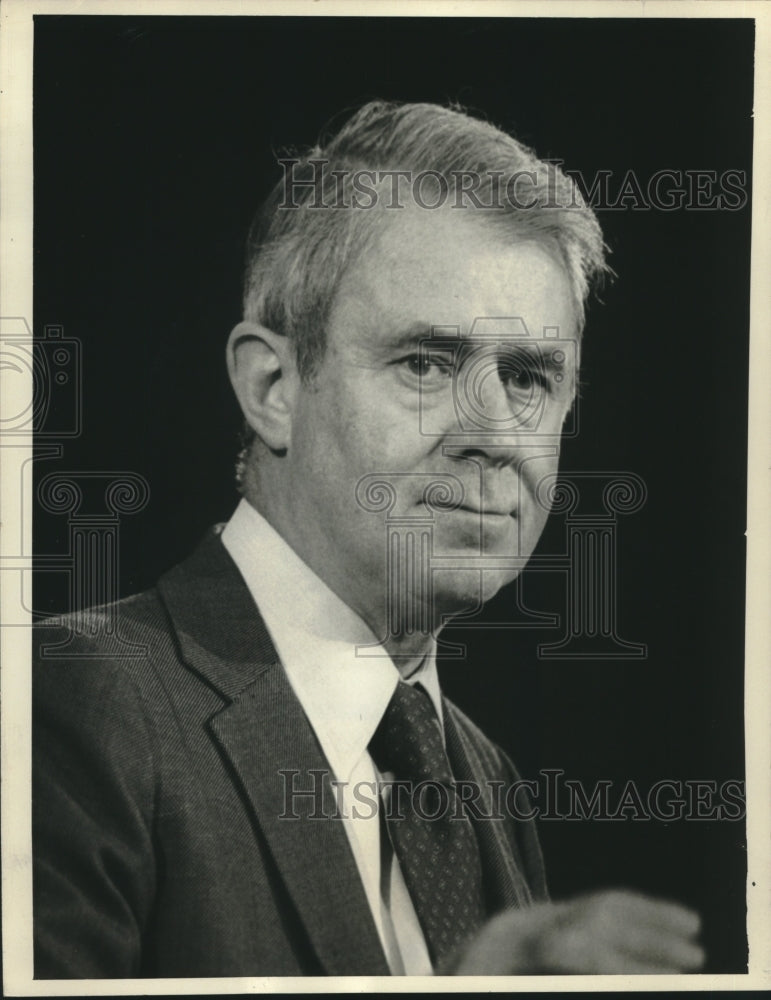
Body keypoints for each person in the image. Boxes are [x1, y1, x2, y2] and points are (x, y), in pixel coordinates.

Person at [32, 100, 705, 978]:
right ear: (273, 386)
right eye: (426, 364)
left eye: (529, 377)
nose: (495, 433)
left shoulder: (485, 783)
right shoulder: (76, 702)